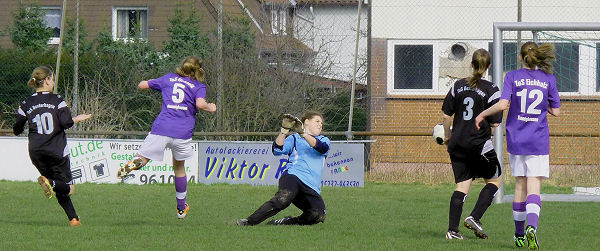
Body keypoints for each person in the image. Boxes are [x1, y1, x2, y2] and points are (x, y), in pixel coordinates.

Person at [476, 42, 560, 249]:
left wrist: (483, 114)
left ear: (520, 57)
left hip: (516, 138)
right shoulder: (548, 79)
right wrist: (544, 106)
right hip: (537, 140)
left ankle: (519, 234)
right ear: (538, 58)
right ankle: (532, 227)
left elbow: (503, 104)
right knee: (534, 186)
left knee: (520, 186)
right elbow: (557, 111)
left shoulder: (512, 76)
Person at [116, 56, 216, 219]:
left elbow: (143, 85)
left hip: (162, 128)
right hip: (182, 132)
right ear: (198, 71)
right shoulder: (198, 86)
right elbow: (200, 104)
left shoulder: (168, 78)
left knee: (143, 158)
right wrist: (210, 108)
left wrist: (146, 82)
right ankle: (181, 209)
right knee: (179, 168)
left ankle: (130, 166)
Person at [13, 66, 92, 227]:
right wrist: (77, 118)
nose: (53, 82)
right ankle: (49, 182)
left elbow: (17, 129)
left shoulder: (26, 103)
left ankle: (74, 219)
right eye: (53, 79)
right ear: (47, 80)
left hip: (36, 151)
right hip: (56, 151)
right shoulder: (57, 100)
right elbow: (66, 123)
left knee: (58, 186)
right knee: (68, 188)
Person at [441, 49, 503, 240]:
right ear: (489, 66)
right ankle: (475, 217)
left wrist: (447, 137)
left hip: (457, 143)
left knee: (462, 185)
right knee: (495, 180)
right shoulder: (492, 89)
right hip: (478, 144)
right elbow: (495, 123)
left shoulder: (457, 85)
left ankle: (452, 231)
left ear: (472, 64)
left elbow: (445, 115)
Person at [237, 111, 330, 226]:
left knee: (318, 215)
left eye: (321, 123)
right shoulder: (295, 138)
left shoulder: (324, 140)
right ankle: (249, 222)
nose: (320, 124)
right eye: (317, 121)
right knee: (283, 199)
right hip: (293, 177)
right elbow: (277, 150)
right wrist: (284, 131)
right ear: (306, 121)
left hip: (311, 186)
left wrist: (304, 134)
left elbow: (322, 148)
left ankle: (287, 222)